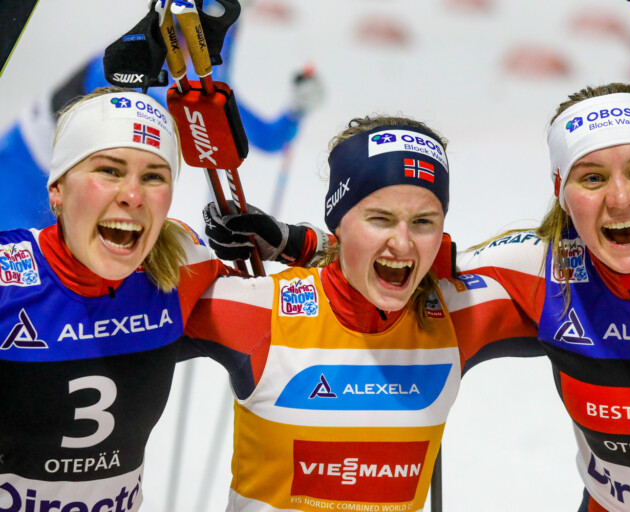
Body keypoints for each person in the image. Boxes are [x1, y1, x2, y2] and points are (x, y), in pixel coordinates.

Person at [205, 84, 630, 511]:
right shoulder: (540, 270)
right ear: (561, 193)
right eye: (591, 178)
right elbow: (415, 262)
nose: (618, 197)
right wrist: (292, 242)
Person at [184, 115, 545, 511]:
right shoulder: (260, 310)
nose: (403, 243)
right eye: (379, 219)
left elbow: (575, 269)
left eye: (424, 221)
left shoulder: (457, 315)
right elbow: (138, 277)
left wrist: (304, 244)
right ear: (338, 221)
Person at [0, 87, 234, 511]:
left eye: (153, 176)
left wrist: (293, 242)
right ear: (57, 189)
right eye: (109, 170)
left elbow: (319, 293)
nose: (133, 195)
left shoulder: (182, 265)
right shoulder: (8, 279)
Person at [0, 20, 322, 231]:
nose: (208, 52)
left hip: (73, 192)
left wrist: (295, 112)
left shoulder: (195, 70)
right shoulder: (130, 65)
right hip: (25, 174)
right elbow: (220, 126)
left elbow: (253, 134)